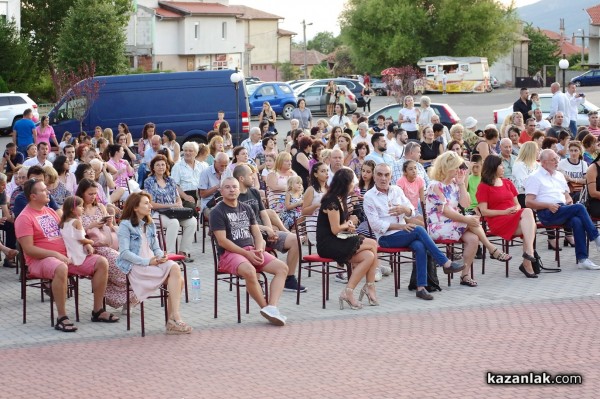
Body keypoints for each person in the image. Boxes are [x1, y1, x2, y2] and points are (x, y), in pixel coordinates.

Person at [15, 179, 117, 331]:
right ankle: (62, 317)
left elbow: (69, 232)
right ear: (33, 196)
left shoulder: (50, 211)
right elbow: (29, 250)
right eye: (43, 190)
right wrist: (55, 254)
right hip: (41, 260)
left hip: (68, 255)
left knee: (101, 262)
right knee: (60, 267)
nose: (48, 191)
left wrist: (85, 243)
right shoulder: (24, 218)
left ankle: (98, 311)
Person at [365, 163, 465, 299]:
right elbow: (376, 224)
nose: (383, 178)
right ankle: (444, 262)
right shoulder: (369, 196)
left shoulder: (396, 190)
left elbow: (411, 210)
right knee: (418, 229)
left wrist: (405, 210)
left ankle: (421, 287)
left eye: (386, 175)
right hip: (386, 238)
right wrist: (401, 226)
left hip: (404, 233)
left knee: (419, 245)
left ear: (391, 176)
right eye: (379, 174)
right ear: (374, 176)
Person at [211, 176, 289, 326]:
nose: (232, 190)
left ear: (239, 190)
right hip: (230, 254)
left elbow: (257, 234)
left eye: (234, 187)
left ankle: (272, 307)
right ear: (221, 191)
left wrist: (259, 250)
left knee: (282, 268)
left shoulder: (246, 208)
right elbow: (222, 241)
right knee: (249, 271)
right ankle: (265, 308)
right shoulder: (217, 211)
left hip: (251, 250)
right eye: (227, 187)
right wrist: (247, 254)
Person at [426, 151, 512, 287]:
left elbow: (465, 204)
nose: (459, 170)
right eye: (456, 167)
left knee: (473, 239)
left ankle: (465, 275)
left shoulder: (454, 183)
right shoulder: (435, 186)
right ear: (446, 168)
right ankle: (491, 248)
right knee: (471, 220)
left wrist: (461, 184)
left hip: (455, 222)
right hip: (438, 225)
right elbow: (446, 212)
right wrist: (466, 220)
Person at [117, 192, 192, 334]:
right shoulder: (125, 225)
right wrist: (148, 261)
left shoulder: (149, 224)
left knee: (175, 267)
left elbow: (156, 248)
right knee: (179, 280)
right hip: (136, 266)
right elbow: (124, 253)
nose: (150, 206)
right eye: (146, 203)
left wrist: (160, 256)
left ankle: (173, 319)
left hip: (152, 261)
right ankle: (173, 320)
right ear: (135, 207)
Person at [234, 164, 304, 292]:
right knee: (261, 243)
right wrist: (266, 230)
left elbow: (264, 213)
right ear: (241, 178)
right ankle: (256, 281)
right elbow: (242, 223)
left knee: (295, 239)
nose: (254, 178)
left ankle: (289, 279)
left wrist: (269, 229)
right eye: (250, 175)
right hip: (247, 234)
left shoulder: (254, 192)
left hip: (262, 230)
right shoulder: (235, 196)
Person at [526, 149, 600, 270]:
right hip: (547, 212)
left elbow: (566, 194)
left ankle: (582, 259)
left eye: (557, 158)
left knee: (577, 221)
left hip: (562, 208)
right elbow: (528, 202)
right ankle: (596, 238)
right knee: (580, 207)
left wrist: (569, 199)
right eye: (553, 160)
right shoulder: (534, 177)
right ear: (543, 162)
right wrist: (548, 205)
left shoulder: (559, 175)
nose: (556, 162)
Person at [317, 168, 380, 309]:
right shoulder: (331, 201)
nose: (355, 185)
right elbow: (334, 229)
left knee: (369, 255)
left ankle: (348, 292)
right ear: (346, 183)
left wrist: (349, 224)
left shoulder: (340, 199)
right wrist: (347, 224)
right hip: (328, 243)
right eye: (353, 182)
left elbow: (340, 227)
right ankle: (370, 287)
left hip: (339, 238)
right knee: (372, 243)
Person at [476, 156, 538, 277]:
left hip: (514, 216)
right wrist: (505, 212)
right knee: (530, 224)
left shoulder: (507, 182)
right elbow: (484, 211)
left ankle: (528, 259)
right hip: (498, 220)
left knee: (528, 218)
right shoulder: (483, 186)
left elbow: (518, 205)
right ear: (493, 167)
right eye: (500, 165)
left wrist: (515, 210)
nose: (503, 168)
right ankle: (528, 258)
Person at [144, 154, 197, 261]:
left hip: (174, 212)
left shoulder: (171, 180)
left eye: (163, 165)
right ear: (153, 167)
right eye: (158, 165)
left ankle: (183, 252)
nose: (161, 167)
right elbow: (151, 204)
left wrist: (179, 204)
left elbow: (178, 198)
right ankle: (170, 255)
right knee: (174, 223)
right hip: (158, 213)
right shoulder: (149, 181)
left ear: (166, 166)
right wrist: (170, 205)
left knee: (192, 221)